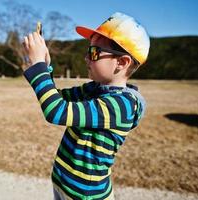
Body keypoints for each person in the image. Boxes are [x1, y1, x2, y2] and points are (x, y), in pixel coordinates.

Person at [22, 12, 149, 200]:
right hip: (64, 183)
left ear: (122, 62)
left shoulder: (122, 106)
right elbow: (56, 98)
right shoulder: (94, 89)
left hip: (86, 195)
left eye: (94, 52)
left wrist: (39, 67)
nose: (86, 58)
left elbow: (56, 111)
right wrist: (45, 67)